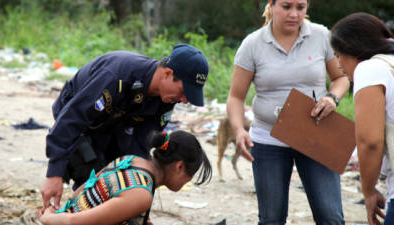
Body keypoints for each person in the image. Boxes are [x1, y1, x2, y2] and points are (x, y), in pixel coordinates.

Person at [40, 44, 209, 212]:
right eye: (183, 91)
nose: (184, 100)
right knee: (91, 178)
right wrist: (54, 173)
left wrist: (138, 208)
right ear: (167, 73)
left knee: (116, 182)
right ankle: (69, 216)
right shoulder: (117, 76)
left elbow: (139, 150)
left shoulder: (165, 101)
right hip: (81, 121)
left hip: (115, 126)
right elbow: (72, 118)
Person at [226, 0, 350, 224]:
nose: (294, 14)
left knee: (330, 216)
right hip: (268, 140)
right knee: (272, 218)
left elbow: (341, 78)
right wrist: (238, 130)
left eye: (300, 7)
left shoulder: (321, 36)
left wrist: (333, 98)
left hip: (316, 135)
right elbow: (235, 97)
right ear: (271, 6)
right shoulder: (252, 44)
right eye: (286, 6)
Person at [38, 130, 212, 225]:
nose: (189, 180)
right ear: (179, 166)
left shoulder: (130, 160)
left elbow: (79, 194)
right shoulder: (140, 193)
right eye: (191, 174)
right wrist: (48, 218)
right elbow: (73, 223)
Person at [330, 12, 394, 225]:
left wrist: (368, 191)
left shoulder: (370, 68)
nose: (338, 64)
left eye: (338, 55)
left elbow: (370, 142)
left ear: (353, 49)